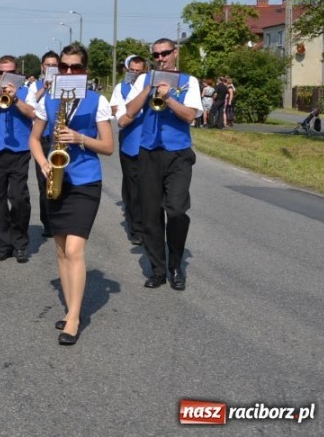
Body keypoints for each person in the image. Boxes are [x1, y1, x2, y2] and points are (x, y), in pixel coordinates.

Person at [29, 44, 114, 345]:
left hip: (86, 180)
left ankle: (75, 317)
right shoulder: (49, 100)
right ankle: (69, 309)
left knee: (76, 250)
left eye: (75, 68)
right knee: (61, 250)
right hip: (57, 178)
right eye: (63, 67)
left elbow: (107, 146)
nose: (67, 72)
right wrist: (42, 164)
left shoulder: (96, 101)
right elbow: (35, 138)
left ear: (84, 71)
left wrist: (79, 138)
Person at [121, 38, 202, 291]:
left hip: (178, 153)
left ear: (175, 53)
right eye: (156, 55)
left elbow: (190, 115)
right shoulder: (143, 80)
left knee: (176, 210)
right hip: (148, 153)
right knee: (151, 214)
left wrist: (169, 98)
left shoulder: (189, 81)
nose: (161, 58)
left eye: (165, 53)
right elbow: (129, 111)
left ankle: (176, 266)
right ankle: (157, 269)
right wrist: (149, 89)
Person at [0, 55, 35, 263]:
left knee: (19, 198)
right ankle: (3, 245)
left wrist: (16, 98)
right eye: (1, 72)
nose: (4, 76)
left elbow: (33, 113)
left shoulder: (27, 91)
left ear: (16, 73)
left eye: (9, 72)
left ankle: (20, 242)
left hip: (19, 151)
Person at [109, 55, 147, 246]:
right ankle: (137, 229)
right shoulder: (120, 88)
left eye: (140, 71)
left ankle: (149, 223)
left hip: (149, 144)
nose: (136, 74)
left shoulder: (151, 87)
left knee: (149, 187)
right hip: (130, 143)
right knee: (133, 188)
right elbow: (119, 114)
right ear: (127, 70)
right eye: (133, 70)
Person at [27, 51, 61, 237]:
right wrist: (44, 89)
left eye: (54, 66)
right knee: (44, 183)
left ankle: (61, 219)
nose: (50, 68)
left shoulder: (65, 85)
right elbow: (32, 109)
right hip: (43, 140)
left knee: (62, 180)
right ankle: (47, 222)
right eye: (47, 65)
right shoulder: (35, 85)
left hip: (60, 140)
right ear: (42, 67)